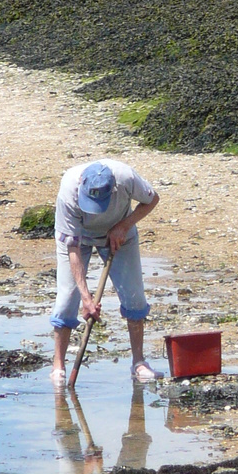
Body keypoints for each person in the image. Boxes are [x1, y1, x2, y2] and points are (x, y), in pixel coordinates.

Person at [50, 158, 160, 384]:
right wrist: (86, 298)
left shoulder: (126, 178)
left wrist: (123, 226)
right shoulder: (69, 190)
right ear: (82, 185)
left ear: (114, 189)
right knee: (66, 299)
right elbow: (72, 250)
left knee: (134, 298)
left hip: (120, 232)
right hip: (77, 239)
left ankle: (138, 363)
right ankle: (58, 367)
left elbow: (152, 199)